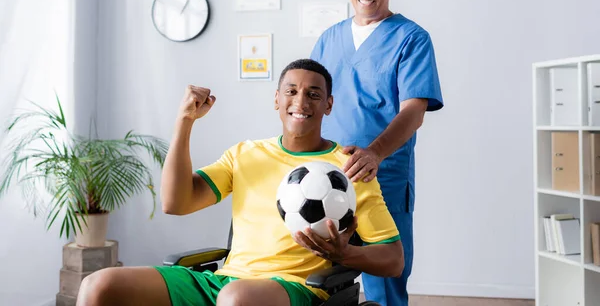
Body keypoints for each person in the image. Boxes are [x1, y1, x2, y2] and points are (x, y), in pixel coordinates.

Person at [76, 59, 404, 306]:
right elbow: (175, 203)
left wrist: (344, 253)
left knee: (235, 299)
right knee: (98, 286)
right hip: (226, 282)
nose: (300, 102)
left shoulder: (349, 168)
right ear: (276, 99)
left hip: (295, 286)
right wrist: (185, 121)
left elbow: (393, 260)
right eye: (291, 91)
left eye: (313, 94)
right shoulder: (245, 154)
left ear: (328, 104)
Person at [310, 0, 444, 306]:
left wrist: (375, 153)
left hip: (383, 174)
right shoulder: (329, 39)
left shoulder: (411, 39)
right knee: (320, 274)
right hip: (326, 178)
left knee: (383, 277)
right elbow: (311, 102)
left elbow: (414, 111)